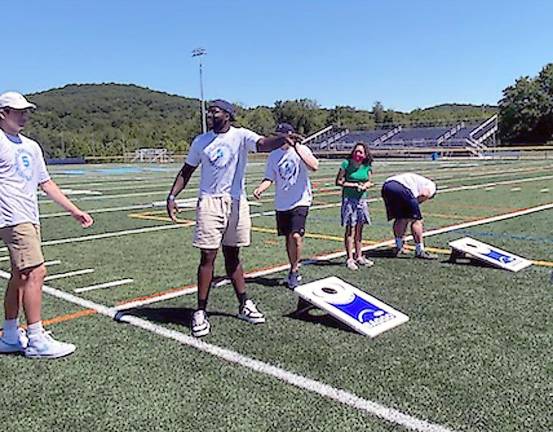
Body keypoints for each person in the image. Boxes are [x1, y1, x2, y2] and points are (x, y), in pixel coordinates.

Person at [167, 100, 302, 337]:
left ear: (228, 115)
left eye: (215, 111)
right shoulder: (201, 141)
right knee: (207, 256)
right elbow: (186, 170)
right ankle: (200, 311)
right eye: (210, 111)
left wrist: (282, 139)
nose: (211, 114)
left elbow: (261, 144)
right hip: (210, 201)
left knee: (233, 255)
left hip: (237, 202)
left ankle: (244, 304)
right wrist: (172, 195)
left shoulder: (241, 135)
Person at [0, 92, 94, 359]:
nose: (24, 115)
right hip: (11, 216)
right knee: (36, 271)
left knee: (21, 275)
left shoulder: (30, 146)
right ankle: (37, 339)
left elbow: (46, 183)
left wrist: (74, 210)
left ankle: (9, 335)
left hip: (29, 215)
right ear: (3, 113)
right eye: (18, 111)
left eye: (26, 111)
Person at [252, 123, 319, 289]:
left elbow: (314, 167)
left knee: (296, 236)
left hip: (301, 200)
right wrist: (260, 188)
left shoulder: (302, 150)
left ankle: (295, 270)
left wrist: (297, 147)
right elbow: (269, 177)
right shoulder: (273, 155)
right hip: (282, 203)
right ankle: (292, 267)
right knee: (288, 237)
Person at [335, 142, 374, 270]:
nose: (358, 154)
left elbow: (369, 181)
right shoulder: (346, 164)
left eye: (361, 152)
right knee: (350, 229)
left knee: (359, 229)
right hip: (349, 199)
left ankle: (359, 256)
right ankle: (349, 258)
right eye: (356, 151)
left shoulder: (366, 166)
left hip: (361, 200)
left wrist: (365, 186)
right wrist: (353, 185)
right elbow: (339, 181)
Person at [381, 172, 437, 259]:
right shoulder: (431, 186)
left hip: (387, 186)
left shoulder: (418, 181)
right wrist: (415, 205)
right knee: (416, 220)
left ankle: (399, 247)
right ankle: (420, 250)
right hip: (401, 188)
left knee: (400, 218)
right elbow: (424, 194)